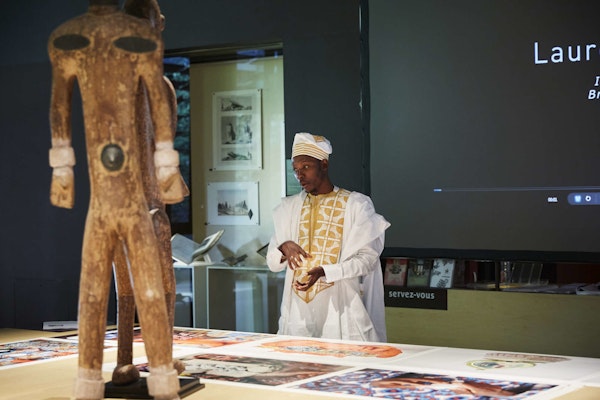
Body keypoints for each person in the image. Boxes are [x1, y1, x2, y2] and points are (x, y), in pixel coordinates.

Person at [266, 132, 390, 342]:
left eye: (306, 167)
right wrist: (283, 248)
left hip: (341, 311)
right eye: (296, 170)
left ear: (323, 165)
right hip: (297, 314)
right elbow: (272, 263)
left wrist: (328, 271)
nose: (300, 176)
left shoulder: (355, 205)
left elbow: (367, 260)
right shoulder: (288, 208)